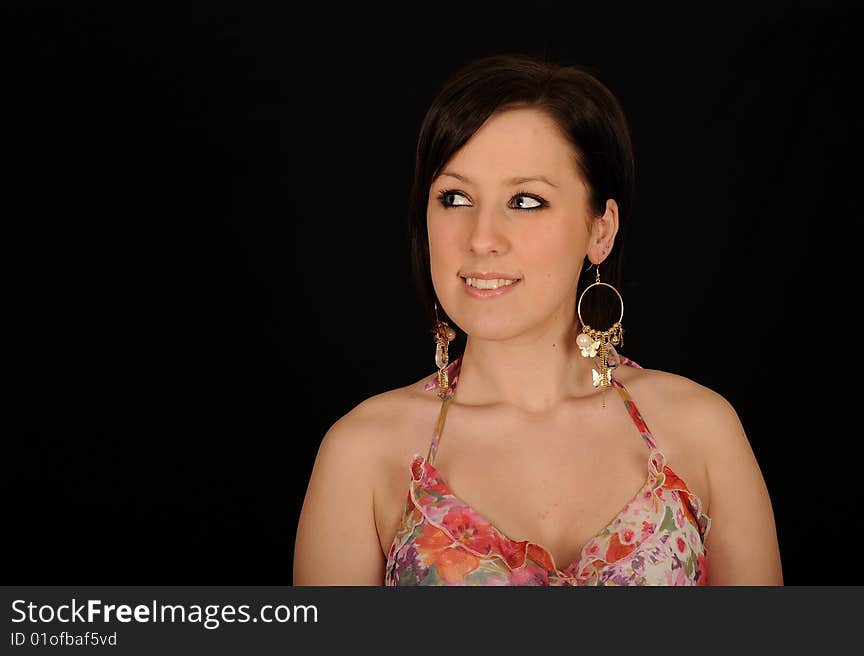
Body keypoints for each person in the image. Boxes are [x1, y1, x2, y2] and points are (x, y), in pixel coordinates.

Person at [293, 53, 783, 586]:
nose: (481, 238)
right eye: (455, 198)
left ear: (601, 231)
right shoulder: (363, 453)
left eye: (525, 201)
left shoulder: (701, 433)